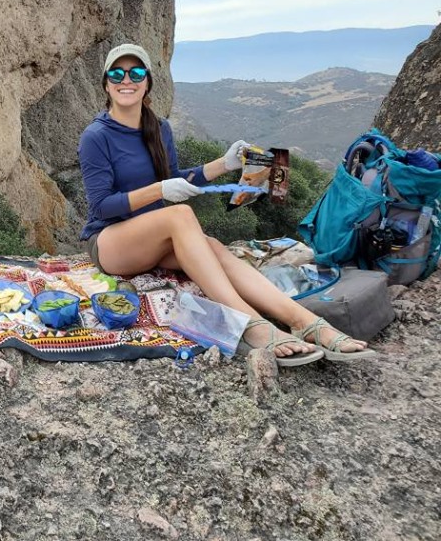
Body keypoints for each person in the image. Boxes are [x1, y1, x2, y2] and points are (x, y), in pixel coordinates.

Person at [78, 43, 376, 365]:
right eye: (117, 73)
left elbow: (175, 178)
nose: (127, 79)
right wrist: (158, 190)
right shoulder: (96, 136)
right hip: (111, 243)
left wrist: (225, 163)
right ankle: (252, 325)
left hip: (153, 238)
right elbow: (101, 206)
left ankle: (304, 320)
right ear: (106, 83)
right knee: (179, 214)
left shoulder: (158, 128)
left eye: (136, 72)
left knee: (215, 249)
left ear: (147, 81)